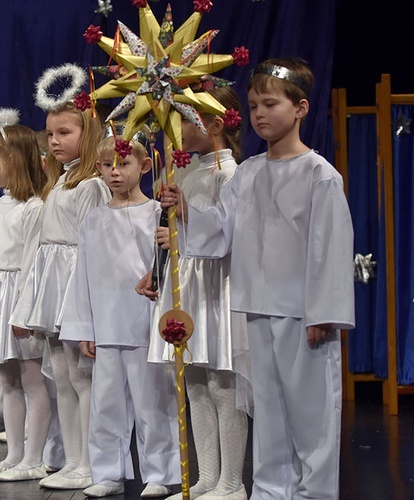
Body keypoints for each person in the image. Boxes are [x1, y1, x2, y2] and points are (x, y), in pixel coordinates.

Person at [160, 58, 355, 499]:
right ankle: (270, 489)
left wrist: (323, 312)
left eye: (271, 103)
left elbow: (330, 250)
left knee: (311, 412)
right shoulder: (247, 174)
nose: (260, 114)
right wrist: (188, 211)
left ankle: (315, 493)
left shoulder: (319, 176)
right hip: (256, 308)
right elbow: (222, 231)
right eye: (253, 106)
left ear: (301, 108)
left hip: (304, 313)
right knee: (267, 410)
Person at [138, 86, 252, 500]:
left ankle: (232, 482)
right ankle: (207, 476)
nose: (178, 128)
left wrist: (187, 213)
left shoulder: (232, 174)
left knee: (223, 381)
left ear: (217, 124)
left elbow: (228, 233)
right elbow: (178, 233)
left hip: (216, 283)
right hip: (188, 281)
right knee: (195, 381)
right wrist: (157, 266)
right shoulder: (185, 172)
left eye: (187, 119)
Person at [60, 130, 182, 498]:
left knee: (153, 401)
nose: (115, 172)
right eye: (107, 165)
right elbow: (82, 277)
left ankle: (160, 472)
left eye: (124, 163)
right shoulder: (93, 219)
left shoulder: (155, 214)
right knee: (106, 403)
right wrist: (85, 326)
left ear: (144, 166)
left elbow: (162, 267)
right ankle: (108, 471)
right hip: (107, 323)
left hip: (144, 324)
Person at [10, 94, 110, 490]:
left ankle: (90, 462)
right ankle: (72, 460)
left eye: (64, 132)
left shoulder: (91, 186)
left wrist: (86, 306)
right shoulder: (59, 182)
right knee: (63, 379)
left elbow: (94, 247)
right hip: (53, 287)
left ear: (88, 135)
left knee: (83, 380)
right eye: (50, 134)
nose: (53, 141)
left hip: (76, 286)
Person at [0, 113, 53, 482]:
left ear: (14, 160)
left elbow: (33, 266)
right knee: (9, 383)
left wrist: (23, 311)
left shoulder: (34, 209)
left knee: (33, 381)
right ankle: (14, 454)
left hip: (19, 304)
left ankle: (34, 457)